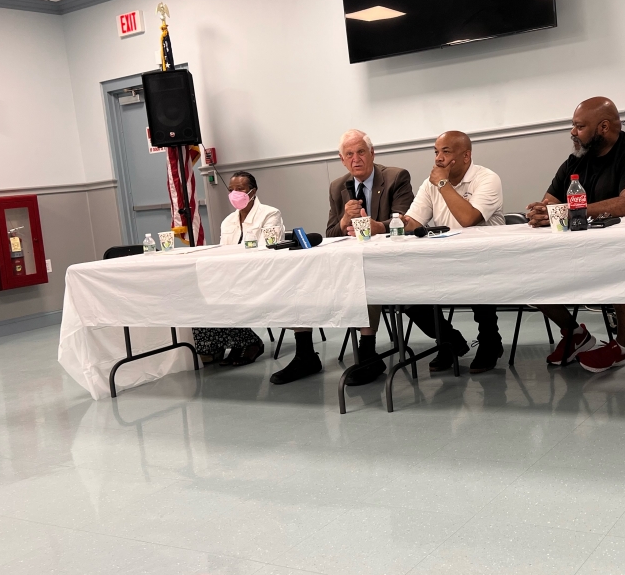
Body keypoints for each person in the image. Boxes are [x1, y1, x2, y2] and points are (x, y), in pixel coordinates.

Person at [525, 97, 625, 373]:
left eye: (578, 126)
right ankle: (575, 334)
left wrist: (570, 212)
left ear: (602, 127)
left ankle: (622, 346)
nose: (572, 132)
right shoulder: (575, 161)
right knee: (526, 271)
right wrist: (542, 213)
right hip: (576, 251)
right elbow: (550, 202)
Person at [270, 129, 415, 387]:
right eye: (349, 154)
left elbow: (404, 221)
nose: (355, 158)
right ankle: (305, 354)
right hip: (345, 260)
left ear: (372, 153)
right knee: (297, 276)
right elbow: (330, 234)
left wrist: (377, 227)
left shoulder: (395, 177)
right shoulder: (338, 186)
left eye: (361, 152)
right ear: (342, 159)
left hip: (387, 262)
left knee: (362, 277)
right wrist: (345, 219)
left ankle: (368, 353)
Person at [399, 130, 506, 374]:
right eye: (436, 152)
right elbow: (414, 222)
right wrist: (390, 225)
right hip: (444, 259)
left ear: (466, 156)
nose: (438, 158)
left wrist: (443, 184)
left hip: (487, 260)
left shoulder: (487, 178)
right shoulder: (430, 184)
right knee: (406, 293)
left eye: (446, 152)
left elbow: (468, 218)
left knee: (477, 279)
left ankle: (491, 342)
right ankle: (449, 341)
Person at [193, 171, 282, 366]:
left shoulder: (270, 213)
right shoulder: (228, 221)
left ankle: (249, 342)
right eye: (231, 190)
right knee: (200, 293)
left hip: (261, 275)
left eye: (240, 189)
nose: (235, 194)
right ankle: (219, 347)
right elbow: (224, 252)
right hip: (231, 275)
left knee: (220, 293)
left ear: (253, 191)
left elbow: (266, 250)